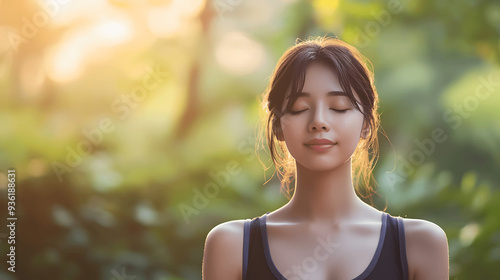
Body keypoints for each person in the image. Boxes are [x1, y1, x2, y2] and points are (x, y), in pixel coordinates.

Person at [202, 36, 449, 280]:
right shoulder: (231, 246)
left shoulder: (419, 244)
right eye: (299, 108)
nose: (319, 121)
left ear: (366, 125)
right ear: (277, 125)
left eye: (339, 107)